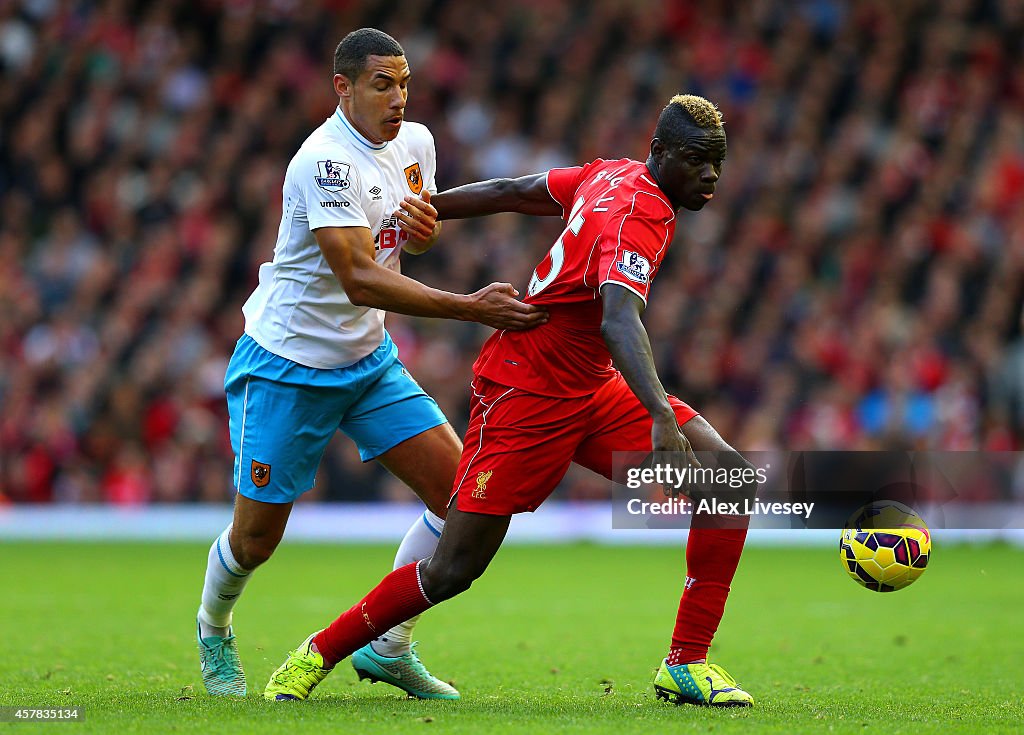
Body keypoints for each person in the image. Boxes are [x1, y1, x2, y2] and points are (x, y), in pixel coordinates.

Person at [263, 94, 756, 708]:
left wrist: (431, 206)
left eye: (718, 162)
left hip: (590, 387)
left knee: (726, 480)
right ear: (660, 154)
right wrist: (660, 411)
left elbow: (517, 190)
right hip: (527, 393)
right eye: (697, 161)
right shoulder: (639, 215)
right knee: (453, 570)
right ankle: (319, 651)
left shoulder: (610, 173)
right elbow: (619, 319)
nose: (711, 175)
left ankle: (687, 663)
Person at [196, 28, 546, 699]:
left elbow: (415, 225)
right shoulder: (323, 161)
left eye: (405, 83)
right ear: (343, 88)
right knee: (255, 539)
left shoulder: (414, 144)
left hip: (367, 362)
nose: (399, 98)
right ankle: (214, 625)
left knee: (460, 498)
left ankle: (389, 646)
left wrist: (426, 230)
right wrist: (471, 307)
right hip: (287, 365)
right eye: (383, 84)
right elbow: (359, 275)